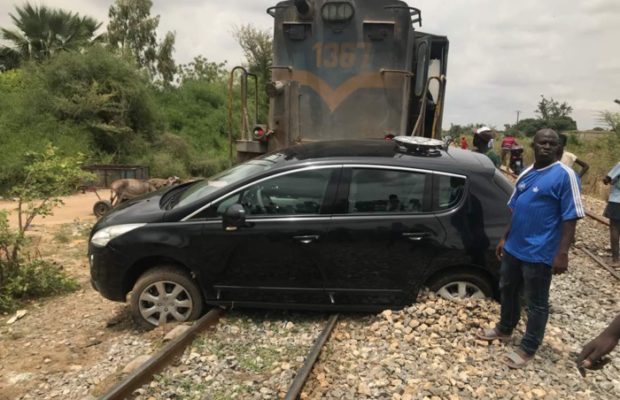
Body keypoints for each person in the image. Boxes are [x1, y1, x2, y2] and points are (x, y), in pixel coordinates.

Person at [476, 128, 585, 368]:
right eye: (542, 143)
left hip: (540, 251)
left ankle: (528, 346)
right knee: (507, 288)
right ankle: (504, 328)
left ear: (559, 148)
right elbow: (516, 208)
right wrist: (505, 237)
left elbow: (571, 217)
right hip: (515, 247)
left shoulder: (565, 176)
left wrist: (562, 253)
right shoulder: (525, 172)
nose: (546, 147)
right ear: (533, 146)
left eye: (552, 143)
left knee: (536, 301)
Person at [603, 161, 620, 267]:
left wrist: (608, 180)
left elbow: (607, 179)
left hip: (617, 200)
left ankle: (616, 260)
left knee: (614, 229)